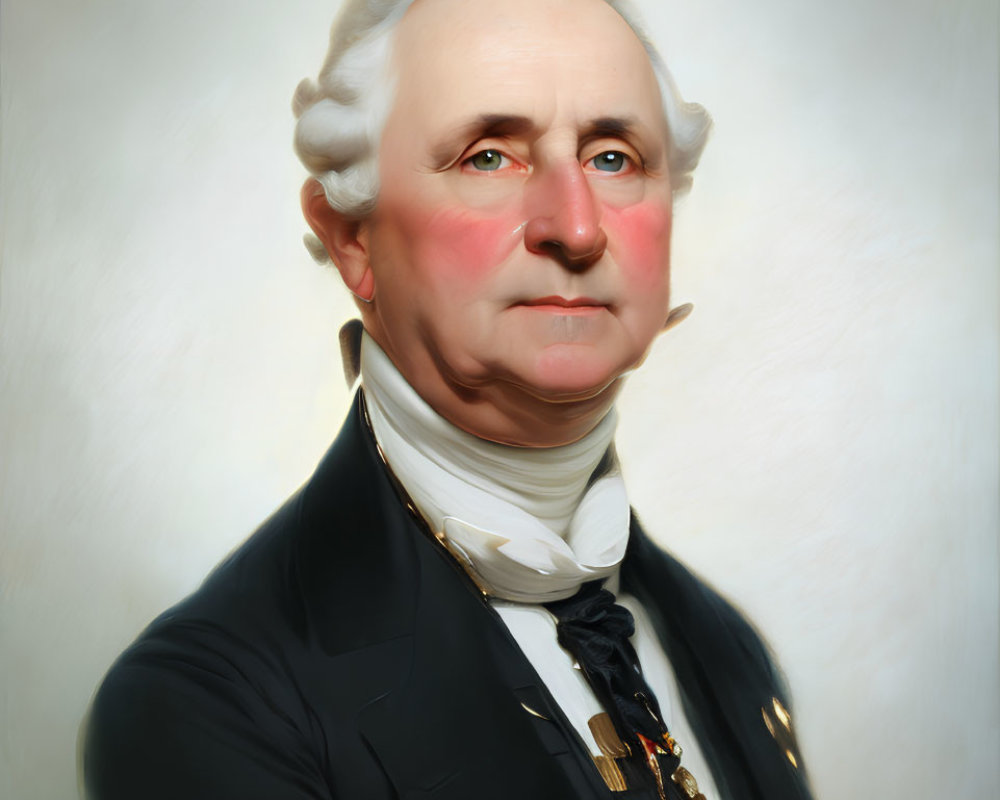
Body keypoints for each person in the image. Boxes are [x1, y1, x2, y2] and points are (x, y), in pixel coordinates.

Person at [83, 0, 813, 798]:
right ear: (352, 240)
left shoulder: (724, 644)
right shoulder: (205, 706)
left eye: (613, 157)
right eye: (489, 156)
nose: (575, 228)